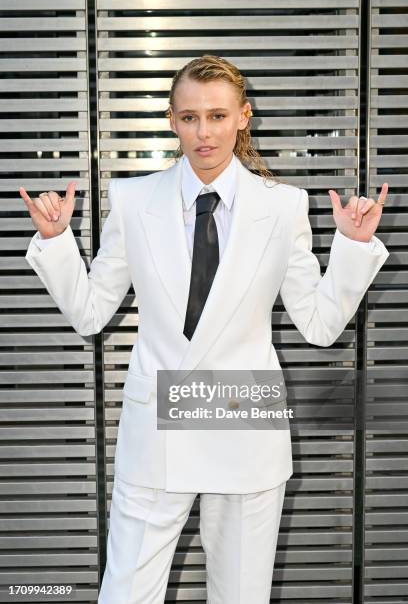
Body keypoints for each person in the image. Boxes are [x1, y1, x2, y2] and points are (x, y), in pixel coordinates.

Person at [20, 55, 389, 604]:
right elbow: (90, 312)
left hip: (243, 424)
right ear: (172, 121)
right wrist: (56, 242)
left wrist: (353, 248)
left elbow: (317, 325)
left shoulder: (283, 206)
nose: (204, 132)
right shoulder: (133, 200)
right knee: (124, 593)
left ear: (243, 117)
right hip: (158, 428)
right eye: (190, 117)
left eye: (217, 116)